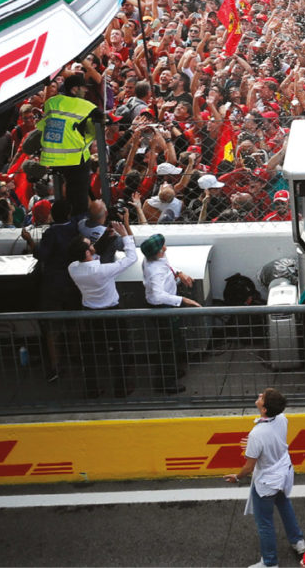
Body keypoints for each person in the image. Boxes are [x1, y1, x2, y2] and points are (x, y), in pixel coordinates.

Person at [231, 387, 305, 568]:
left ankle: (270, 563)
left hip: (266, 481)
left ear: (264, 409)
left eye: (262, 397)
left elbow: (248, 467)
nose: (259, 395)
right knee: (284, 504)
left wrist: (236, 476)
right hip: (283, 473)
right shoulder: (281, 419)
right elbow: (271, 440)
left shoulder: (257, 434)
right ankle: (298, 542)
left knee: (264, 523)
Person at [67, 216, 133, 399]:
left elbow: (94, 255)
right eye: (90, 244)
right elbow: (131, 258)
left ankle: (92, 389)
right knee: (119, 351)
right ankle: (121, 388)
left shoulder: (73, 268)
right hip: (111, 313)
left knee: (91, 354)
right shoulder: (102, 271)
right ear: (88, 252)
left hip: (90, 314)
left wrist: (106, 236)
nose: (92, 245)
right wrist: (125, 236)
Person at [140, 233, 198, 394]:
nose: (165, 248)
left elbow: (168, 267)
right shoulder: (154, 271)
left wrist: (179, 274)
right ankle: (165, 382)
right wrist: (183, 300)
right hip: (163, 308)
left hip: (167, 307)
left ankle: (171, 371)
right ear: (157, 252)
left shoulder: (156, 259)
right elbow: (158, 295)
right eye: (162, 247)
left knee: (173, 341)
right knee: (167, 346)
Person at [37, 73, 100, 213]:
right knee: (78, 196)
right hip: (75, 158)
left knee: (68, 193)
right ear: (74, 89)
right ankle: (78, 220)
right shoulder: (86, 106)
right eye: (83, 88)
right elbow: (100, 123)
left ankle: (66, 218)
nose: (86, 91)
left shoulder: (51, 102)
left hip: (52, 158)